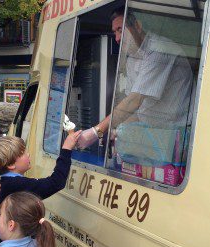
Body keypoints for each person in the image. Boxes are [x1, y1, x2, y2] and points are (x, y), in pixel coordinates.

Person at [77, 6, 194, 153]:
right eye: (115, 32)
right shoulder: (132, 57)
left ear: (137, 26)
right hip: (154, 133)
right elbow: (138, 110)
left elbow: (134, 101)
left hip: (178, 135)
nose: (117, 38)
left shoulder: (159, 49)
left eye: (121, 30)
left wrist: (97, 131)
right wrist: (115, 130)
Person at [0, 131, 81, 208]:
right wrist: (66, 149)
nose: (28, 154)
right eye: (23, 153)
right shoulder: (16, 184)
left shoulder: (6, 182)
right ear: (11, 164)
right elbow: (55, 183)